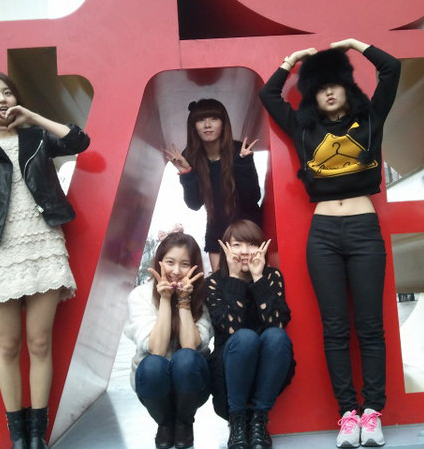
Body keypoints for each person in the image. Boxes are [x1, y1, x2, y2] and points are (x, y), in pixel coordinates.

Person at [259, 38, 401, 448]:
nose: (329, 92)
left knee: (370, 327)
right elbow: (269, 95)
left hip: (364, 230)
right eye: (320, 87)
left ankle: (372, 413)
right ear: (313, 96)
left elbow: (391, 69)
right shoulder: (304, 129)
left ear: (347, 87)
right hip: (322, 235)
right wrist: (291, 61)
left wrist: (355, 45)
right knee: (335, 329)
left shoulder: (370, 119)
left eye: (335, 84)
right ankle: (348, 415)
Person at [0, 72, 90, 448]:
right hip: (0, 251)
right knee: (8, 347)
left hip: (42, 244)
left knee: (40, 343)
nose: (2, 99)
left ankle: (37, 435)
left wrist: (33, 117)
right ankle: (18, 437)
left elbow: (79, 141)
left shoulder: (37, 137)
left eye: (7, 92)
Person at [206, 220, 295, 449]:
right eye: (237, 245)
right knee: (245, 337)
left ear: (262, 247)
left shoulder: (272, 277)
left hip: (266, 368)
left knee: (277, 337)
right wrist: (235, 279)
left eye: (252, 244)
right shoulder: (214, 282)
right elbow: (231, 328)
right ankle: (237, 421)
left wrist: (258, 279)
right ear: (226, 248)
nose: (245, 251)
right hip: (229, 370)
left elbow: (277, 323)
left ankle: (259, 420)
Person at [124, 231, 213, 449]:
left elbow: (191, 346)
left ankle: (184, 423)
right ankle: (164, 424)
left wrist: (184, 301)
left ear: (194, 268)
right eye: (170, 262)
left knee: (186, 358)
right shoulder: (140, 295)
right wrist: (165, 299)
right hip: (152, 383)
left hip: (193, 383)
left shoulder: (202, 296)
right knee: (154, 364)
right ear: (160, 262)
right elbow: (157, 348)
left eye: (185, 264)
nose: (176, 271)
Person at [165, 98, 263, 271]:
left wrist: (244, 164)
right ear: (193, 126)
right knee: (220, 285)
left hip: (247, 231)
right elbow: (194, 204)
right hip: (217, 233)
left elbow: (252, 198)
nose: (207, 125)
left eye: (214, 118)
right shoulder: (190, 157)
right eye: (201, 120)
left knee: (251, 283)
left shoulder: (239, 150)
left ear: (223, 123)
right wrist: (187, 173)